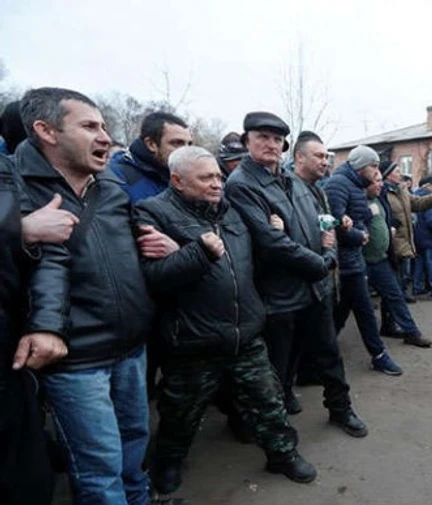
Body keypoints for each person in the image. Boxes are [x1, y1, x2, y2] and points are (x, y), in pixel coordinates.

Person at [15, 87, 175, 505]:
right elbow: (48, 267)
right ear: (46, 131)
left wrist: (156, 240)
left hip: (130, 347)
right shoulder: (16, 190)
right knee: (99, 470)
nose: (105, 136)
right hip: (76, 360)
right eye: (90, 126)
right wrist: (23, 230)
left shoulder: (111, 186)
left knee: (134, 445)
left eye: (104, 126)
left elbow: (132, 238)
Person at [135, 146, 317, 492]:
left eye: (218, 176)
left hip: (245, 333)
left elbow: (258, 254)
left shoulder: (231, 211)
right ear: (177, 180)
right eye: (206, 178)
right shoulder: (152, 213)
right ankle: (168, 464)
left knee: (268, 400)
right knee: (181, 412)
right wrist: (196, 252)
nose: (217, 183)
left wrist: (278, 226)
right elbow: (154, 277)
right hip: (193, 340)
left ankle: (282, 455)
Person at [225, 113, 368, 439]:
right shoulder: (242, 185)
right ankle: (276, 435)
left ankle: (340, 409)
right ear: (247, 141)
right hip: (278, 293)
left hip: (313, 286)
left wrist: (327, 256)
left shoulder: (290, 180)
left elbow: (323, 228)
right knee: (278, 365)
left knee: (329, 353)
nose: (271, 145)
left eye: (277, 139)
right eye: (262, 137)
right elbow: (272, 243)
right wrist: (321, 262)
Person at [1, 140, 80, 505]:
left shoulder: (5, 171)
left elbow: (50, 251)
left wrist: (46, 324)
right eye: (89, 125)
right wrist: (18, 230)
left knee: (29, 478)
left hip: (11, 353)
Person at [324, 145, 403, 375]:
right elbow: (334, 223)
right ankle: (378, 355)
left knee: (341, 313)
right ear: (360, 166)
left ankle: (314, 357)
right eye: (374, 166)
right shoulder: (338, 184)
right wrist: (359, 235)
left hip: (354, 259)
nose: (377, 171)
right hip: (345, 262)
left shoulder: (356, 186)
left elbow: (357, 216)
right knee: (365, 311)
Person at [364, 170, 432, 347]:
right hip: (361, 261)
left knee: (395, 295)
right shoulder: (358, 200)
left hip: (380, 259)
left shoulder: (381, 198)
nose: (380, 185)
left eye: (381, 181)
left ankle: (411, 332)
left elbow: (389, 217)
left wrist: (390, 226)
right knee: (350, 305)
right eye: (376, 181)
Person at [381, 160, 432, 303]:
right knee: (392, 274)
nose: (400, 174)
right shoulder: (382, 192)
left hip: (404, 239)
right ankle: (394, 302)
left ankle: (401, 294)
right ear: (388, 175)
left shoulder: (402, 191)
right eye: (397, 171)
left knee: (403, 272)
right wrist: (388, 221)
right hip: (391, 240)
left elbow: (418, 203)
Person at [108, 111, 193, 204]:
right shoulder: (116, 178)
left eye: (189, 144)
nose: (186, 150)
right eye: (177, 143)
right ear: (151, 144)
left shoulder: (185, 178)